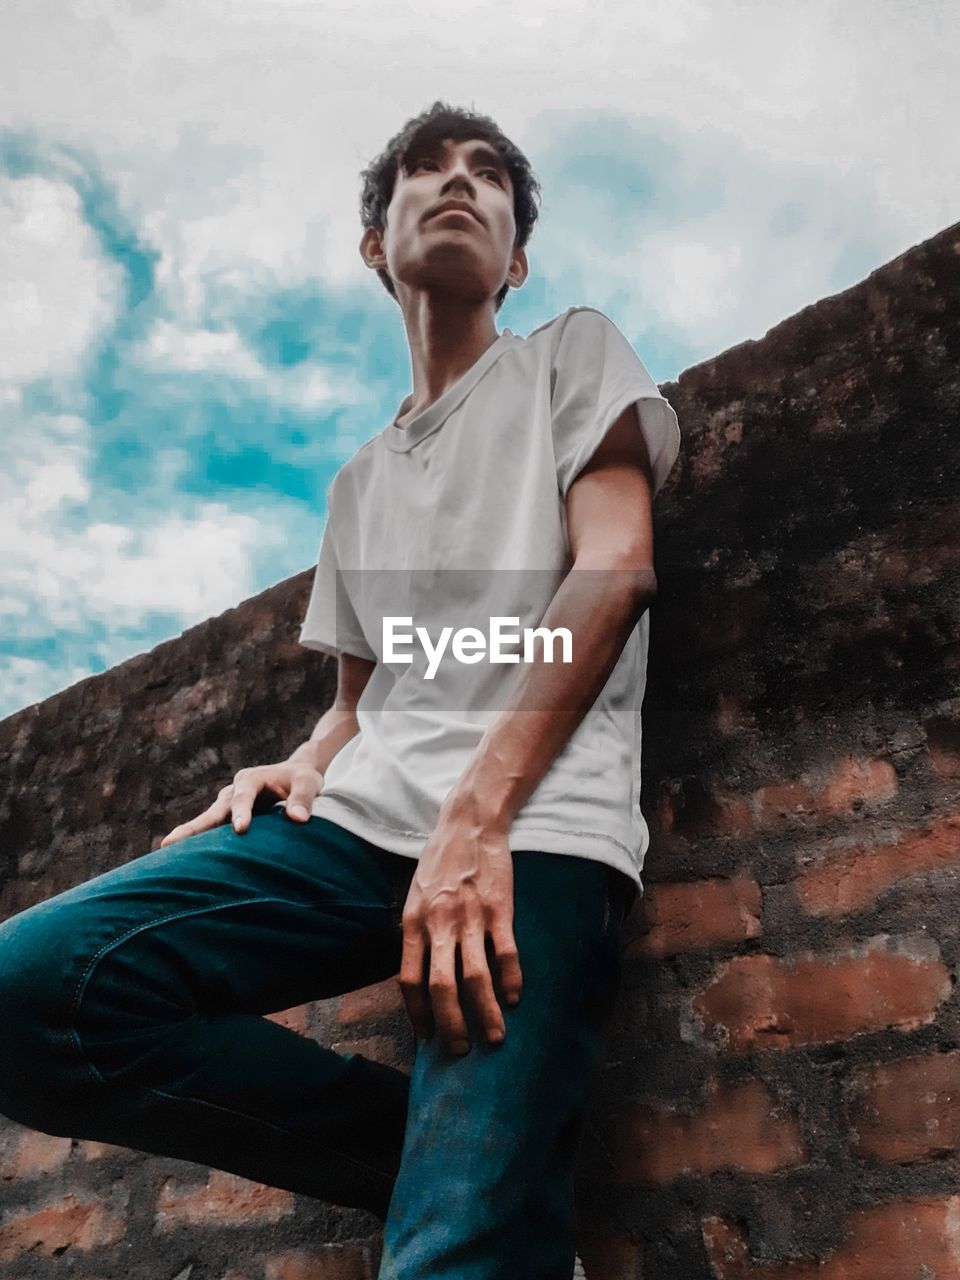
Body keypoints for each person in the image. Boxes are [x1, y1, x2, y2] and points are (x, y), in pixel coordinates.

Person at [0, 101, 681, 1279]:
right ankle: (441, 1158)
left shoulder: (573, 355)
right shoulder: (360, 482)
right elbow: (359, 701)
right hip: (361, 832)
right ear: (378, 242)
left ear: (517, 257)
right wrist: (304, 761)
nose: (456, 181)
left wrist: (476, 821)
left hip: (531, 832)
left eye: (486, 174)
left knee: (446, 1261)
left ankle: (477, 1189)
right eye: (425, 169)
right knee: (28, 995)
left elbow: (616, 571)